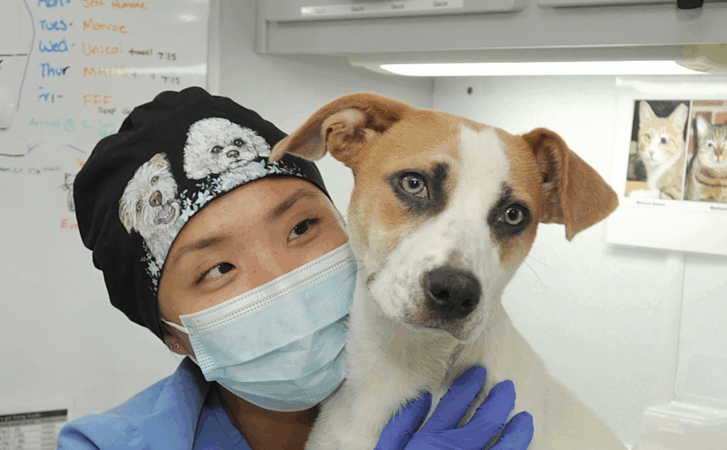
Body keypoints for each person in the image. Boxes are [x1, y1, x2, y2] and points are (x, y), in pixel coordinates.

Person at [58, 87, 534, 450]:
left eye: (302, 227)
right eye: (218, 268)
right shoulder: (104, 447)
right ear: (173, 334)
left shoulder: (470, 408)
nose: (281, 280)